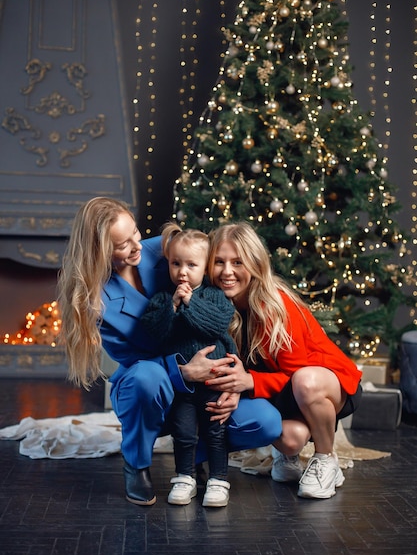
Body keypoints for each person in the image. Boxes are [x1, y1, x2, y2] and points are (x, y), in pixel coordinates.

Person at [57, 197, 282, 506]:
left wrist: (233, 375)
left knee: (265, 421)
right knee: (148, 378)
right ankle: (137, 464)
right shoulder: (98, 301)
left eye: (135, 232)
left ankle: (196, 455)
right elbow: (134, 360)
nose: (137, 245)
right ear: (101, 252)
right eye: (123, 245)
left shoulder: (163, 251)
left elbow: (209, 270)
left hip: (206, 375)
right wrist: (184, 372)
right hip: (149, 384)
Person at [203, 222, 362, 500]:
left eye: (237, 262)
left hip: (325, 384)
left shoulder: (275, 306)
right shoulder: (216, 305)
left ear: (254, 263)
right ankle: (288, 458)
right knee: (290, 439)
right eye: (219, 262)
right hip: (281, 392)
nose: (227, 272)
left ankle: (326, 459)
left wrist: (249, 382)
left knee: (306, 382)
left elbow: (295, 373)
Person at [141, 223, 236, 507]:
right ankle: (185, 477)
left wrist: (190, 304)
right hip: (183, 386)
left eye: (191, 264)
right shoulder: (162, 299)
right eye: (175, 263)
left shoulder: (215, 295)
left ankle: (218, 480)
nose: (182, 271)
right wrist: (172, 307)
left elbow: (215, 325)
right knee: (183, 432)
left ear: (205, 268)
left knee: (216, 432)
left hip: (215, 381)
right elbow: (154, 333)